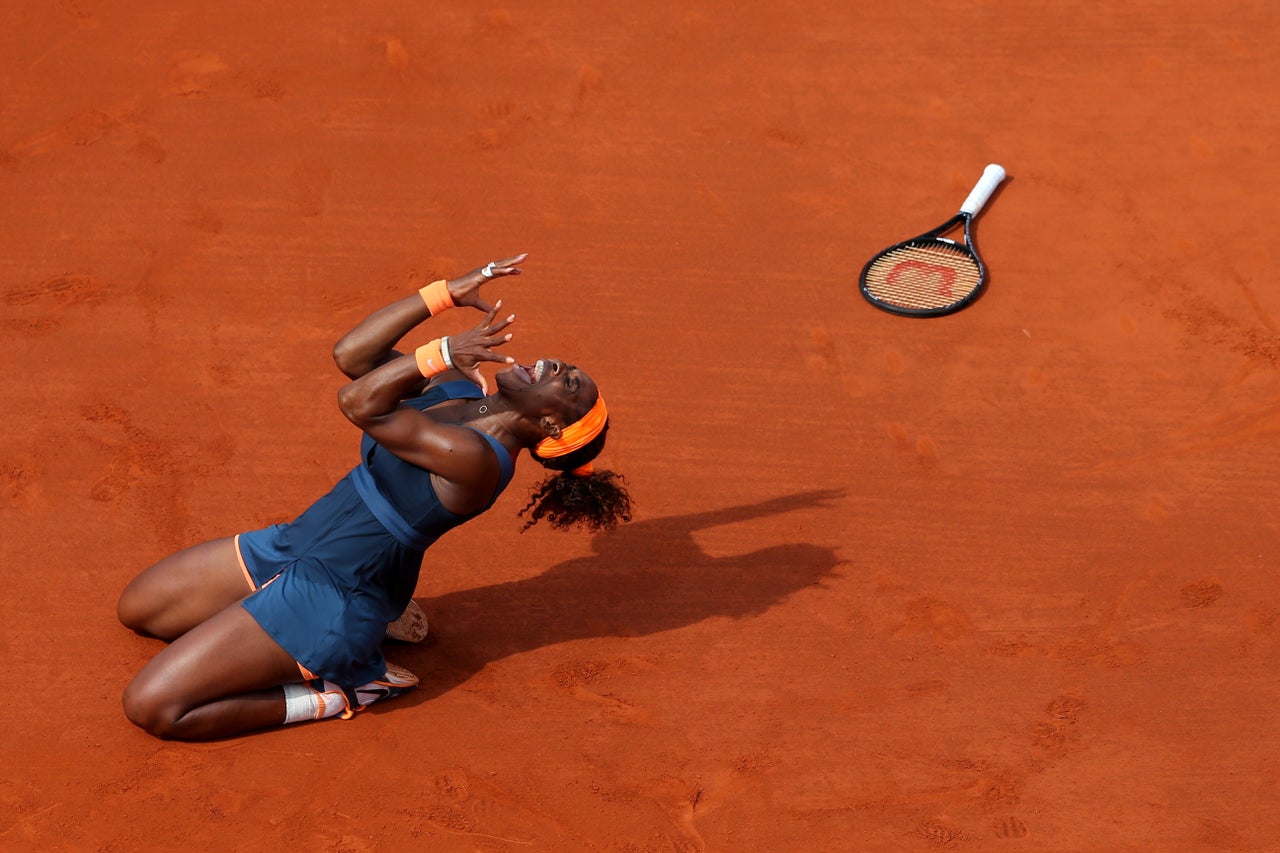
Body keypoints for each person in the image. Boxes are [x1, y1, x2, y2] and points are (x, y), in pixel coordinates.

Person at [117, 254, 632, 741]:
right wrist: (443, 294)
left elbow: (359, 403)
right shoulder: (460, 396)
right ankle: (385, 613)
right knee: (140, 610)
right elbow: (353, 356)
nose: (559, 367)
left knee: (153, 705)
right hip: (298, 544)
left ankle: (345, 690)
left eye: (569, 385)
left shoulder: (477, 459)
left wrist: (443, 352)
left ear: (549, 423)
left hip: (331, 600)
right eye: (567, 367)